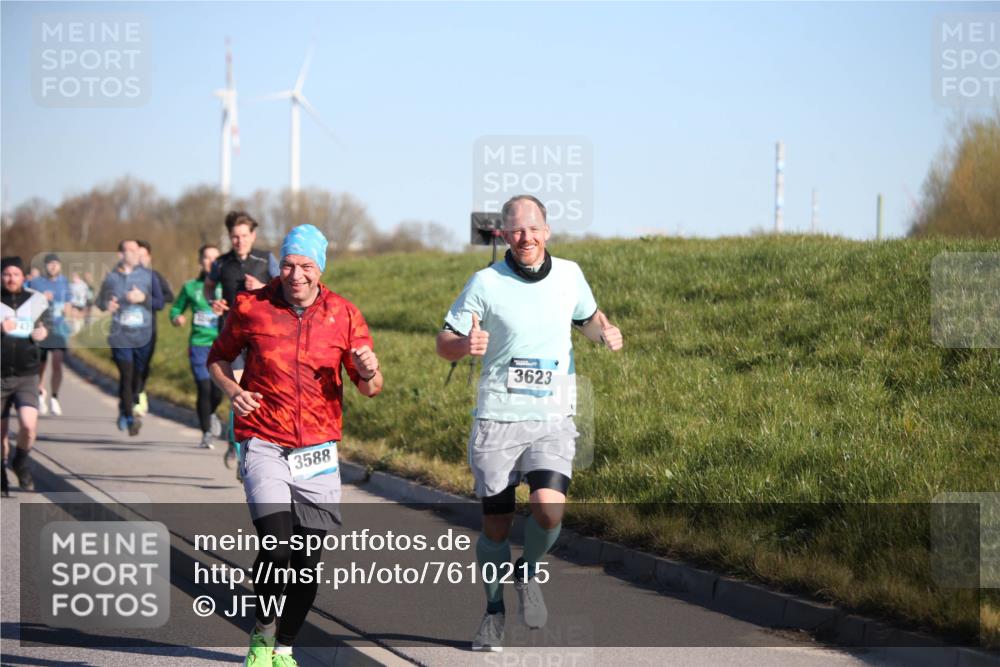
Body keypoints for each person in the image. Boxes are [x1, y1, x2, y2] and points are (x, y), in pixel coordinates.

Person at [435, 195, 623, 652]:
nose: (526, 238)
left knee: (549, 509)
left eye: (533, 228)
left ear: (548, 230)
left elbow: (587, 319)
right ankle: (493, 612)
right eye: (516, 231)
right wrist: (465, 346)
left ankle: (529, 569)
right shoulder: (484, 282)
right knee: (496, 528)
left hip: (552, 416)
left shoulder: (571, 275)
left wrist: (606, 332)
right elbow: (445, 341)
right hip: (498, 419)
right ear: (503, 234)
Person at [207, 224, 382, 667]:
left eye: (305, 266)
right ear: (277, 265)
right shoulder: (252, 307)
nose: (296, 274)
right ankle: (263, 632)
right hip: (264, 437)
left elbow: (371, 389)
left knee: (306, 561)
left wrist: (366, 369)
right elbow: (218, 358)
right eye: (288, 264)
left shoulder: (344, 314)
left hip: (317, 450)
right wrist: (232, 389)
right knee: (278, 545)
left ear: (320, 268)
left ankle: (284, 645)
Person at [204, 210, 280, 470]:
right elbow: (207, 286)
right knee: (239, 393)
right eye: (235, 237)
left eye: (244, 236)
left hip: (262, 337)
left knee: (261, 393)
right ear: (229, 237)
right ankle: (237, 448)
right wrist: (213, 301)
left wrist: (262, 288)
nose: (240, 241)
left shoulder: (266, 259)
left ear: (253, 235)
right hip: (233, 337)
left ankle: (252, 445)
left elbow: (283, 290)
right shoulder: (221, 263)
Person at [95, 240, 163, 436]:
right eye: (128, 251)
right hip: (120, 335)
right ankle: (130, 416)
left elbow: (159, 303)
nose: (133, 254)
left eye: (135, 251)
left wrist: (144, 299)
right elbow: (99, 302)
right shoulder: (111, 278)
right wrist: (107, 304)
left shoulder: (149, 276)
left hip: (144, 336)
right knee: (126, 375)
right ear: (120, 254)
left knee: (138, 376)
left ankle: (128, 402)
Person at [1, 256, 51, 494]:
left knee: (28, 427)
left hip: (26, 374)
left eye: (15, 274)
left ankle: (20, 461)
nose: (10, 278)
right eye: (6, 274)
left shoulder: (36, 300)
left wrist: (43, 331)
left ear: (24, 277)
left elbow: (46, 325)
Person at [170, 244, 224, 449]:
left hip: (222, 347)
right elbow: (176, 309)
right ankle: (206, 433)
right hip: (199, 345)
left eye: (214, 258)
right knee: (204, 386)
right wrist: (177, 318)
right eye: (206, 258)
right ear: (200, 261)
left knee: (218, 391)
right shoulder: (190, 287)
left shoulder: (225, 286)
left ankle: (210, 413)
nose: (210, 262)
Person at [27, 253, 73, 417]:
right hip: (40, 327)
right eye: (50, 264)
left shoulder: (65, 283)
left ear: (60, 266)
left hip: (58, 329)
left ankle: (54, 397)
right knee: (41, 365)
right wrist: (41, 298)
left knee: (58, 363)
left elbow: (68, 305)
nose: (53, 266)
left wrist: (68, 313)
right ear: (45, 266)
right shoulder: (36, 282)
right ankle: (40, 393)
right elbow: (27, 304)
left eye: (56, 264)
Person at [135, 240, 174, 417]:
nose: (140, 259)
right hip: (127, 330)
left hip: (149, 328)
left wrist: (145, 298)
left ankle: (140, 391)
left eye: (143, 255)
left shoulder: (155, 276)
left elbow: (168, 297)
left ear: (149, 257)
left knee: (143, 365)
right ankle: (134, 396)